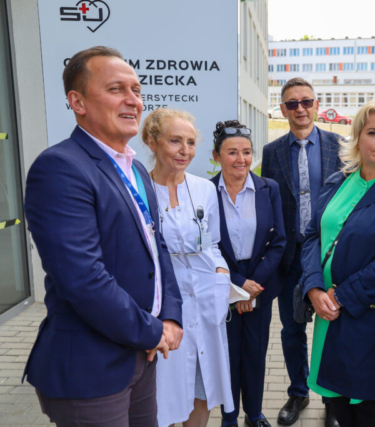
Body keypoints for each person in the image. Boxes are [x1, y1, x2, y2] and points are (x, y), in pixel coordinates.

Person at [22, 46, 183, 426]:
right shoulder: (60, 168)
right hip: (92, 369)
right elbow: (82, 278)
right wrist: (153, 331)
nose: (133, 100)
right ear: (77, 102)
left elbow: (157, 248)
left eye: (136, 90)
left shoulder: (136, 170)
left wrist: (171, 316)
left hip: (141, 356)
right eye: (116, 89)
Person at [300, 97, 375, 427]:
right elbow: (312, 237)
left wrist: (339, 296)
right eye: (373, 132)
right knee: (338, 404)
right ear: (357, 138)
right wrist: (313, 287)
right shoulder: (337, 181)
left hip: (367, 320)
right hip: (328, 315)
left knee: (365, 412)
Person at [140, 109, 233, 427]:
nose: (185, 151)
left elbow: (213, 243)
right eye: (175, 141)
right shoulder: (140, 192)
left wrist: (221, 274)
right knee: (163, 391)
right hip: (164, 306)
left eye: (191, 143)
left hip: (206, 301)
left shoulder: (205, 189)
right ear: (152, 142)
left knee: (202, 385)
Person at [261, 77, 342, 426]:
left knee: (332, 327)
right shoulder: (272, 152)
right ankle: (298, 391)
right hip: (291, 257)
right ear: (283, 110)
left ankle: (332, 399)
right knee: (292, 329)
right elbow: (269, 204)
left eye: (306, 102)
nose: (300, 109)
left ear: (316, 105)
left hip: (332, 256)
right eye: (292, 103)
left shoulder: (340, 146)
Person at [210, 120, 286, 427]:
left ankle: (254, 414)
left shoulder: (269, 189)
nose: (241, 159)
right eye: (232, 152)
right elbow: (207, 246)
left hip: (260, 280)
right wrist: (237, 285)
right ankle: (229, 417)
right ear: (216, 156)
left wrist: (252, 287)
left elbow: (279, 242)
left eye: (246, 152)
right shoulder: (205, 192)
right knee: (227, 356)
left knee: (255, 354)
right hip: (223, 279)